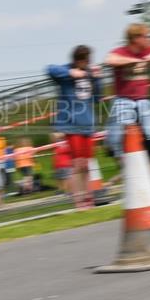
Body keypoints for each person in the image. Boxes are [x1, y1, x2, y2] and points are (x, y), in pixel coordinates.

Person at [105, 24, 150, 190]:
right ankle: (134, 180)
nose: (149, 39)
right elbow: (110, 60)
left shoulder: (148, 50)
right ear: (136, 39)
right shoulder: (121, 52)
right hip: (123, 101)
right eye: (146, 36)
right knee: (118, 142)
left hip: (143, 101)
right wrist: (132, 61)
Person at [48, 45, 103, 208]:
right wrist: (71, 73)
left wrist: (98, 79)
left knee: (87, 164)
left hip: (88, 124)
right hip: (71, 125)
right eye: (84, 60)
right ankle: (78, 199)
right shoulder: (65, 72)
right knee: (77, 163)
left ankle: (89, 197)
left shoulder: (89, 74)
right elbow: (49, 69)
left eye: (88, 60)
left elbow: (97, 98)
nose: (86, 63)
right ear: (76, 60)